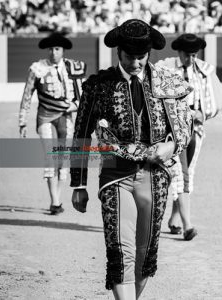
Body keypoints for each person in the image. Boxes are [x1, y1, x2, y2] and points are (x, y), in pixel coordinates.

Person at [70, 19, 193, 300]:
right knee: (119, 248)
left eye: (142, 56)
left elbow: (185, 127)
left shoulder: (168, 81)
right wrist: (79, 184)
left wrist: (172, 146)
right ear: (119, 54)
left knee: (145, 251)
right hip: (115, 171)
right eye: (130, 57)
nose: (136, 62)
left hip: (156, 173)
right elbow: (81, 135)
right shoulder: (98, 85)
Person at [156, 33, 222, 240]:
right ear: (179, 52)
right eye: (188, 55)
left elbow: (218, 100)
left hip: (194, 130)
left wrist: (202, 114)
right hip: (170, 131)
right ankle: (188, 226)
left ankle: (174, 220)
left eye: (194, 55)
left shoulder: (204, 70)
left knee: (188, 174)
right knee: (181, 175)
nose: (191, 59)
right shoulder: (165, 67)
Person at [19, 32, 87, 215]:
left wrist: (73, 107)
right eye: (50, 49)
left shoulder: (73, 68)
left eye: (57, 49)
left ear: (63, 50)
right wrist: (22, 121)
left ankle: (57, 197)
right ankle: (55, 201)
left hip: (66, 117)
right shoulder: (37, 68)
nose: (53, 52)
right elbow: (27, 95)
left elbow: (82, 96)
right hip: (45, 117)